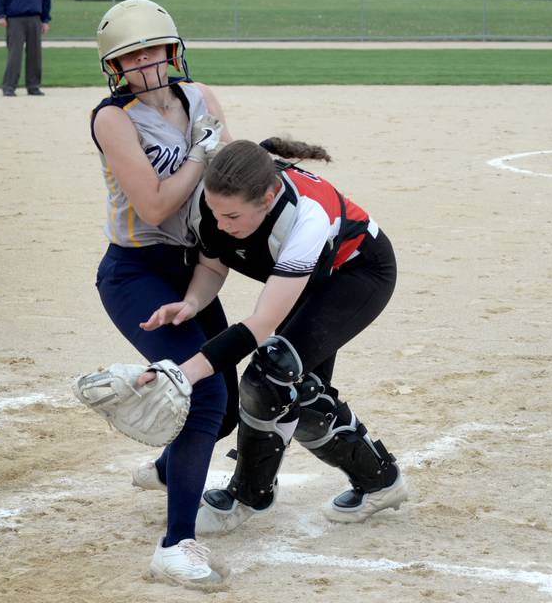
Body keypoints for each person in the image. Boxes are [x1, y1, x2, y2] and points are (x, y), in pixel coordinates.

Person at [139, 138, 409, 537]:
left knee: (271, 375)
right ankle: (380, 481)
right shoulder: (215, 203)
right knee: (300, 393)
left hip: (357, 273)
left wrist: (186, 373)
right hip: (308, 277)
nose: (220, 224)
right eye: (214, 212)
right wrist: (193, 302)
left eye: (232, 216)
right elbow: (213, 267)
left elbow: (262, 323)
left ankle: (249, 495)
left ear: (266, 199)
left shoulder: (306, 220)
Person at [90, 0, 235, 586]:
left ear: (173, 49)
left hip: (197, 264)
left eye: (154, 47)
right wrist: (203, 151)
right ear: (115, 66)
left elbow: (230, 185)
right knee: (203, 395)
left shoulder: (202, 97)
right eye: (132, 53)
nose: (146, 61)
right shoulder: (112, 118)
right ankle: (174, 545)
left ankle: (167, 466)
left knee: (224, 402)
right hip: (138, 270)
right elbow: (153, 203)